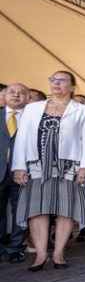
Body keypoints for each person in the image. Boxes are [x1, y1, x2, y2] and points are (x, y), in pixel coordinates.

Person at [12, 71, 85, 271]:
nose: (56, 83)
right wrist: (19, 166)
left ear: (72, 86)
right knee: (37, 208)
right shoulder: (32, 108)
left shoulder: (82, 110)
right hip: (36, 164)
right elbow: (21, 138)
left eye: (62, 80)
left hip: (69, 164)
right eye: (53, 80)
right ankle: (41, 255)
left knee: (66, 208)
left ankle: (58, 253)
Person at [1, 83, 29, 263]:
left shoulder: (32, 118)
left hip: (23, 171)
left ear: (28, 97)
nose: (16, 95)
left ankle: (15, 247)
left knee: (21, 210)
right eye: (12, 92)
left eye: (21, 93)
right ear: (4, 95)